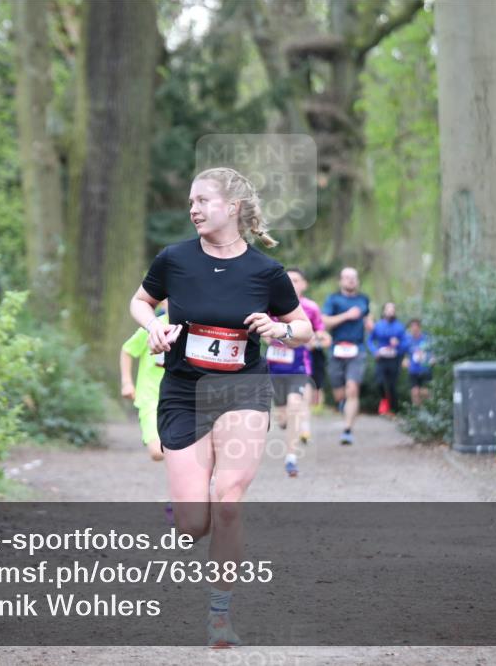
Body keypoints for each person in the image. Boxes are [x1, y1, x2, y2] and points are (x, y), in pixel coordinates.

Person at [129, 166, 312, 648]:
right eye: (190, 202)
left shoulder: (266, 272)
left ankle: (219, 615)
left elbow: (303, 328)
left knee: (229, 497)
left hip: (242, 389)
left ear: (232, 207)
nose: (193, 209)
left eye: (203, 200)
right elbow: (140, 302)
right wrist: (154, 327)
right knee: (192, 524)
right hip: (184, 392)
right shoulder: (174, 259)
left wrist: (280, 331)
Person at [265, 268, 324, 478]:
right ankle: (287, 426)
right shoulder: (270, 304)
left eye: (296, 280)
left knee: (294, 407)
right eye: (288, 280)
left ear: (304, 284)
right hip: (274, 369)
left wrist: (314, 341)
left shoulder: (310, 308)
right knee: (282, 417)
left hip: (299, 368)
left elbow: (322, 335)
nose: (292, 283)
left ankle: (291, 457)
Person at [321, 267, 374, 445]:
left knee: (352, 388)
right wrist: (346, 316)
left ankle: (347, 430)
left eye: (354, 278)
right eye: (347, 278)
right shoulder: (333, 299)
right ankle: (343, 406)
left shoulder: (363, 299)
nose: (351, 281)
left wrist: (369, 323)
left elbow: (368, 315)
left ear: (357, 281)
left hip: (357, 349)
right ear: (341, 281)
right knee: (339, 394)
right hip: (336, 349)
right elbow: (325, 321)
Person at [120, 301, 169, 461]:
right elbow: (127, 350)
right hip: (150, 398)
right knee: (157, 452)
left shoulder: (193, 328)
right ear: (162, 303)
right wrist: (127, 382)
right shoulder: (152, 327)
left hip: (182, 398)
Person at [367, 302, 407, 417]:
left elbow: (406, 343)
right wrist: (375, 351)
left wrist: (398, 345)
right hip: (381, 359)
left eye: (393, 309)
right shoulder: (378, 326)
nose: (391, 311)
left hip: (394, 359)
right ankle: (384, 401)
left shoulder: (400, 327)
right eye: (388, 309)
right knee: (380, 382)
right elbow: (370, 341)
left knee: (392, 385)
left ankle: (394, 410)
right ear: (384, 311)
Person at [403, 318, 433, 407]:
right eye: (412, 327)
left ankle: (429, 409)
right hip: (413, 370)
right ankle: (417, 412)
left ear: (420, 327)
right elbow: (403, 352)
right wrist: (404, 360)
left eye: (416, 326)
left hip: (425, 368)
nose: (414, 328)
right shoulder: (407, 339)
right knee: (415, 392)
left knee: (425, 392)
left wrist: (432, 358)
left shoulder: (427, 338)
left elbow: (433, 351)